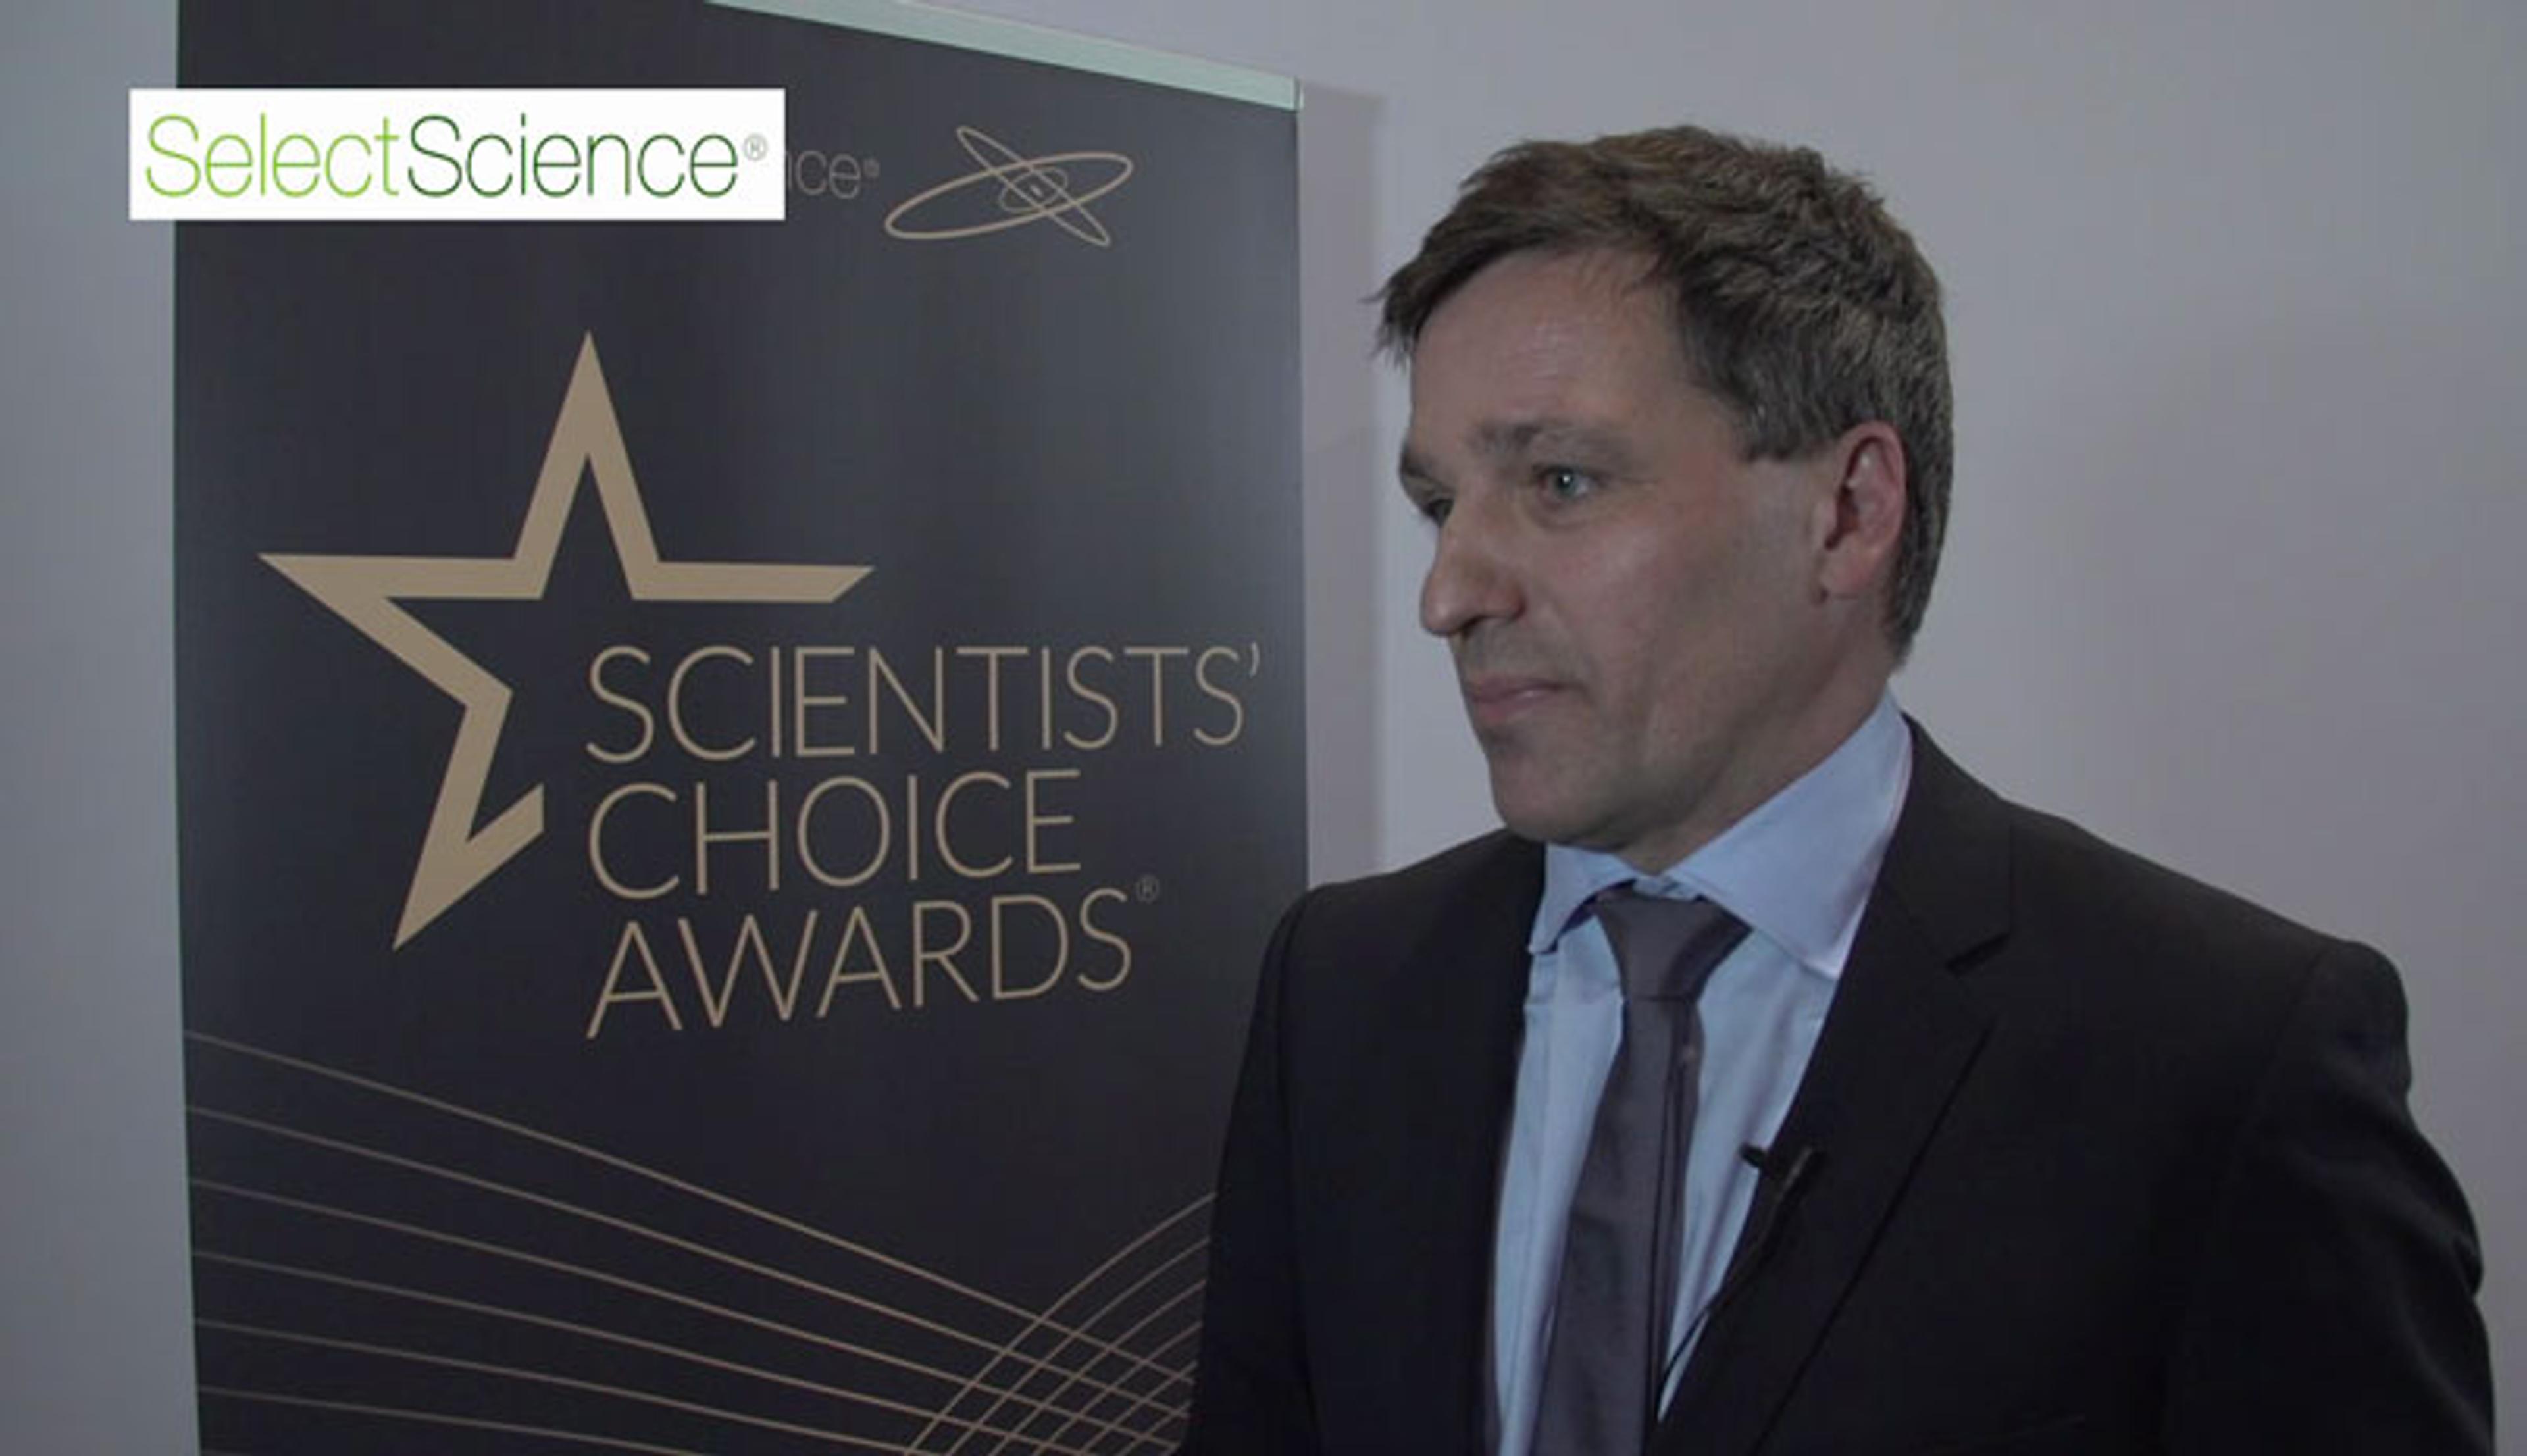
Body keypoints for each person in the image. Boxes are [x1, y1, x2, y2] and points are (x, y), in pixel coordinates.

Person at [1179, 126, 2491, 1455]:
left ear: (1851, 511)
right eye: (1440, 504)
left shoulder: (2223, 1055)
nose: (1451, 592)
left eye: (1561, 483)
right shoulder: (1342, 987)